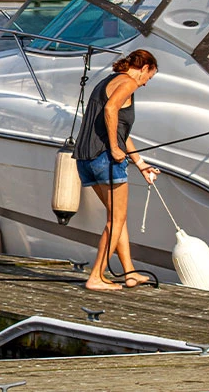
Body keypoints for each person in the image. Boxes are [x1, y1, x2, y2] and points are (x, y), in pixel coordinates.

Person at [73, 50, 160, 291]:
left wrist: (140, 163)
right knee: (117, 219)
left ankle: (130, 272)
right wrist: (113, 147)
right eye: (149, 77)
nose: (144, 84)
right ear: (144, 67)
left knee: (116, 218)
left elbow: (120, 131)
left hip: (86, 159)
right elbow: (111, 110)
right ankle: (96, 277)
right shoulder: (128, 81)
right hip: (105, 158)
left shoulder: (107, 81)